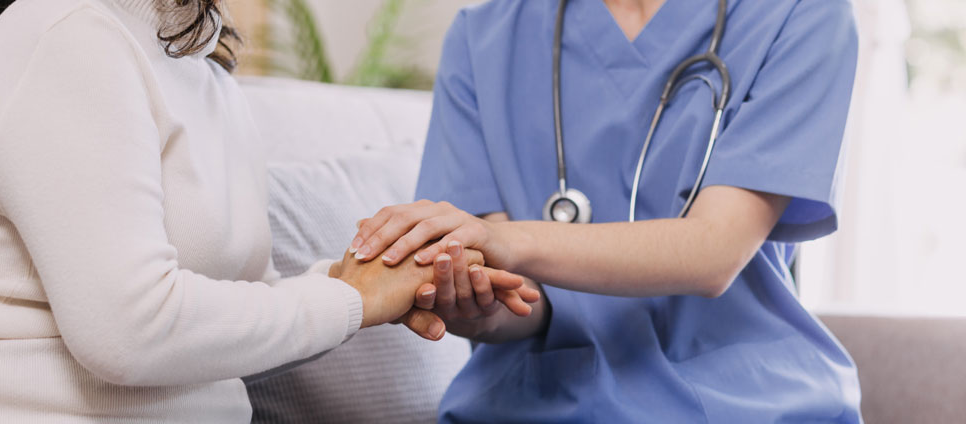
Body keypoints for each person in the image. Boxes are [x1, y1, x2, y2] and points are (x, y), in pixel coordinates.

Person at [0, 0, 534, 421]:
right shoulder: (68, 32)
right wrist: (352, 298)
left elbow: (228, 338)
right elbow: (129, 332)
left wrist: (358, 282)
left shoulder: (199, 63)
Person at [350, 0, 863, 421]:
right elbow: (518, 302)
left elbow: (716, 251)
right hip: (534, 403)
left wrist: (508, 242)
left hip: (747, 400)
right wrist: (473, 302)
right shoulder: (483, 38)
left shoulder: (799, 14)